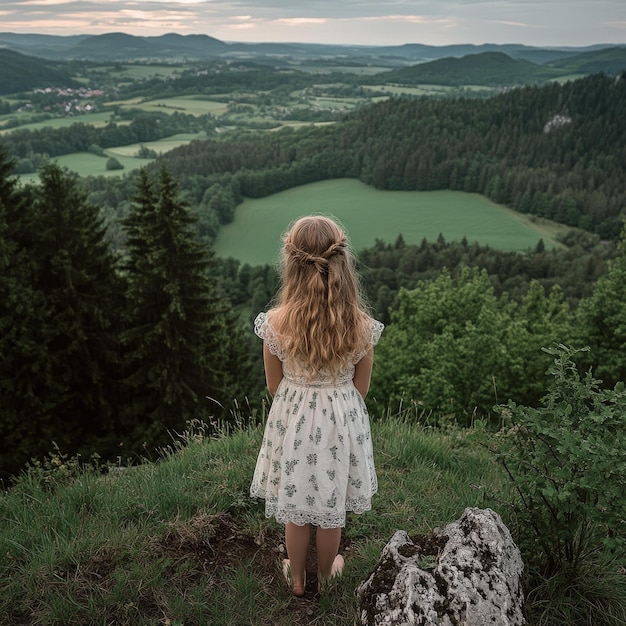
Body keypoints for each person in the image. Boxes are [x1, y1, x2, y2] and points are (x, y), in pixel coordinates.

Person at [250, 215, 384, 597]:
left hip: (293, 417)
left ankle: (296, 578)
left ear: (290, 265)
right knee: (330, 503)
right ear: (343, 263)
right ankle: (326, 574)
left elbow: (274, 385)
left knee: (296, 504)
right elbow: (361, 388)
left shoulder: (276, 323)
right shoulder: (360, 325)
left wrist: (301, 405)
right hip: (341, 417)